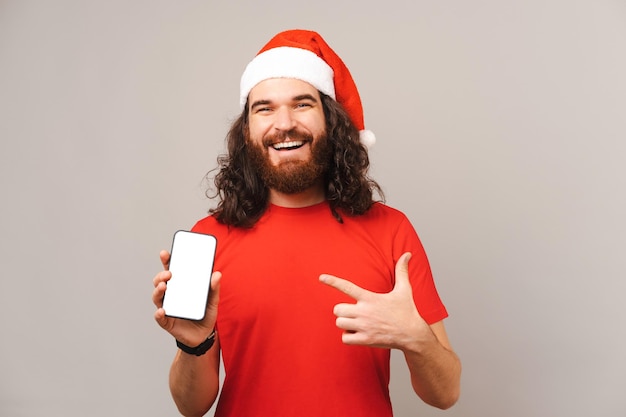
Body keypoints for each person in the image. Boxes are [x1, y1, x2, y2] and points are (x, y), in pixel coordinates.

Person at [152, 29, 461, 417]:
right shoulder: (209, 238)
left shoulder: (390, 229)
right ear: (246, 130)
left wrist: (417, 339)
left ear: (330, 121)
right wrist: (194, 345)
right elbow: (190, 406)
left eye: (302, 104)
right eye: (264, 108)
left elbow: (445, 393)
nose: (284, 123)